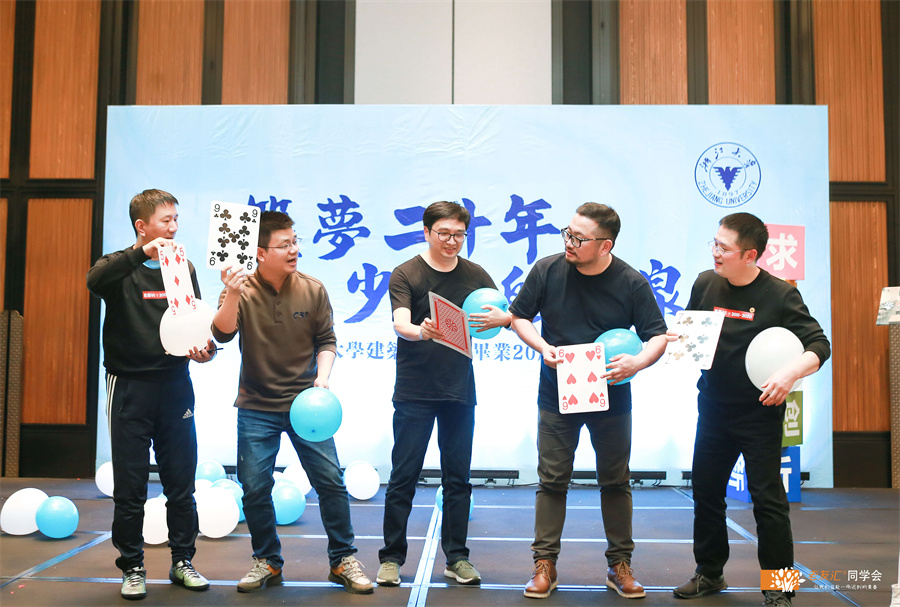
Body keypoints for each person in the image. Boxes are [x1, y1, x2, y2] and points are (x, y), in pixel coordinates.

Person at [508, 202, 668, 600]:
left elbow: (657, 335)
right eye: (568, 233)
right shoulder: (547, 270)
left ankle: (620, 565)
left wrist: (638, 362)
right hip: (556, 392)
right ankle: (544, 564)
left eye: (579, 238)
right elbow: (519, 316)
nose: (569, 242)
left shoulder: (631, 282)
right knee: (552, 480)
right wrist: (542, 346)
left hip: (612, 395)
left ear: (605, 245)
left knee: (615, 480)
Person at [672, 213, 830, 607]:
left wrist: (790, 373)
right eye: (714, 243)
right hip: (713, 409)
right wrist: (678, 341)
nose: (715, 252)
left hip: (759, 414)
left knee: (769, 502)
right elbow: (692, 337)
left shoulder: (780, 295)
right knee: (706, 493)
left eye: (724, 248)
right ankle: (710, 573)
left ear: (750, 255)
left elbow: (819, 345)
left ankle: (780, 588)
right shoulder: (705, 283)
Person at [211, 210, 373, 595]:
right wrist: (232, 293)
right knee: (254, 488)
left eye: (295, 242)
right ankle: (267, 561)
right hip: (256, 406)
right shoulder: (240, 288)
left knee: (330, 483)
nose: (294, 250)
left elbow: (327, 340)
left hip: (308, 406)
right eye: (284, 245)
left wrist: (323, 379)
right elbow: (221, 334)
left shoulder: (313, 289)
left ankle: (342, 560)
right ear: (260, 252)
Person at [87, 188, 215, 601]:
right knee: (130, 487)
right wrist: (141, 253)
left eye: (176, 219)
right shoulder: (117, 267)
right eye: (165, 220)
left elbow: (195, 325)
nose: (174, 227)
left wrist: (206, 351)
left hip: (176, 385)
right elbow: (93, 281)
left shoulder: (183, 266)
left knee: (181, 482)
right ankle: (132, 567)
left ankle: (183, 561)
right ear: (142, 227)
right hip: (129, 386)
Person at [375, 200, 510, 588]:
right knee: (403, 476)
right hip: (414, 391)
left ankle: (457, 558)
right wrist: (421, 331)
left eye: (459, 235)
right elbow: (401, 322)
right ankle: (391, 558)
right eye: (444, 233)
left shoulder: (475, 274)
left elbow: (503, 313)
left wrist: (505, 319)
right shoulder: (407, 273)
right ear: (426, 232)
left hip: (458, 390)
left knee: (458, 478)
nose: (452, 241)